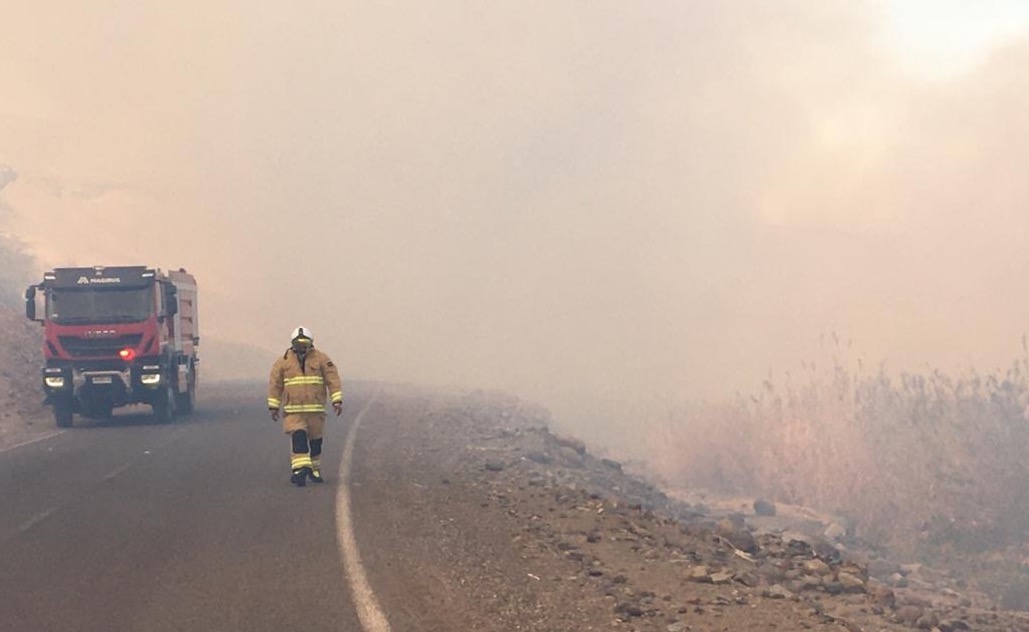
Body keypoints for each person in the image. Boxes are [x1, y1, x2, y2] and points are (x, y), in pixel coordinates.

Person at [267, 326, 343, 487]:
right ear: (292, 344)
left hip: (316, 412)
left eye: (304, 343)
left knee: (316, 442)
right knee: (299, 439)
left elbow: (332, 379)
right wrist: (273, 406)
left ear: (311, 344)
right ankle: (300, 470)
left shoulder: (322, 359)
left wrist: (337, 401)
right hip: (293, 412)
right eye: (298, 344)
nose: (301, 347)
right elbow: (275, 384)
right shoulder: (283, 362)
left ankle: (314, 470)